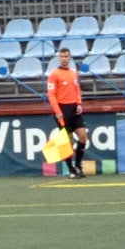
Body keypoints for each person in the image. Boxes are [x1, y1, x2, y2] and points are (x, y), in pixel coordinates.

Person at [47, 48, 88, 178]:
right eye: (62, 56)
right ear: (59, 58)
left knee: (83, 136)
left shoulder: (73, 73)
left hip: (74, 108)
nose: (64, 58)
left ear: (70, 58)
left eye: (66, 56)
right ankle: (71, 169)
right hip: (62, 109)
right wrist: (57, 112)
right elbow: (51, 95)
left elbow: (77, 90)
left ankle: (78, 165)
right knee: (67, 141)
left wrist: (79, 103)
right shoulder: (54, 74)